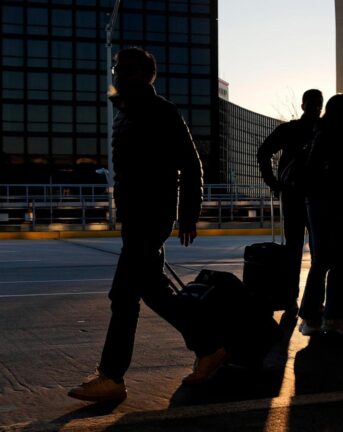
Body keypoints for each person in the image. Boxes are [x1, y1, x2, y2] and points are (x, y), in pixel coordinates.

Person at [68, 47, 225, 402]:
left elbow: (191, 162)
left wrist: (187, 215)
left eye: (125, 70)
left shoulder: (160, 111)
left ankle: (112, 377)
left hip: (153, 215)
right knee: (153, 291)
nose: (117, 75)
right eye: (116, 68)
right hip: (135, 216)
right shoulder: (127, 110)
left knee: (123, 297)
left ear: (145, 74)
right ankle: (210, 346)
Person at [256, 89, 324, 311]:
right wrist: (274, 183)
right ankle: (313, 301)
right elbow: (264, 152)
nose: (316, 108)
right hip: (313, 196)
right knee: (316, 250)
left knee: (294, 249)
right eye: (314, 104)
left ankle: (291, 298)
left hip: (294, 194)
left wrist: (273, 183)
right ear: (306, 105)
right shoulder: (322, 130)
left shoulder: (290, 129)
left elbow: (264, 152)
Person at [299, 93, 343, 335]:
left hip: (319, 204)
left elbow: (321, 171)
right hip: (334, 205)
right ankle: (330, 317)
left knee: (322, 261)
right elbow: (334, 173)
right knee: (337, 261)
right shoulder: (338, 135)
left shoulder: (322, 132)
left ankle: (313, 316)